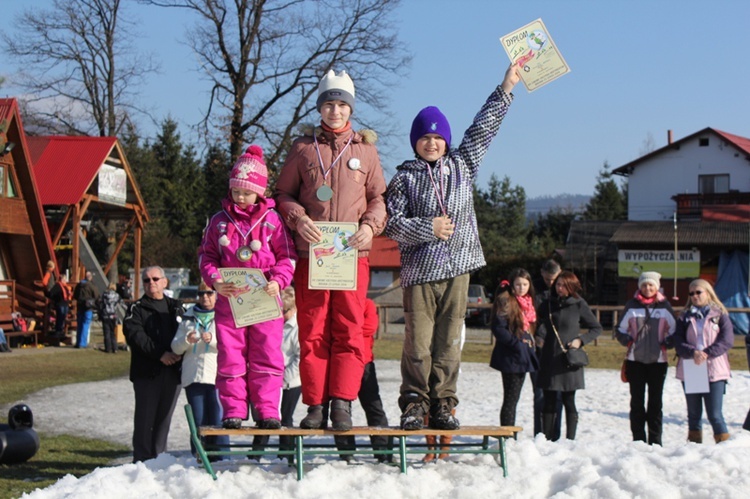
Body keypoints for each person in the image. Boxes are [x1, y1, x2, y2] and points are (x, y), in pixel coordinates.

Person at [385, 62, 520, 430]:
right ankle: (414, 403)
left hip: (458, 270)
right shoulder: (403, 178)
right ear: (416, 142)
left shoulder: (463, 165)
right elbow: (392, 225)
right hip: (420, 274)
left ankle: (444, 402)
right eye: (425, 138)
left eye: (438, 137)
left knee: (448, 344)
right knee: (418, 344)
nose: (432, 142)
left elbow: (483, 129)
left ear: (446, 140)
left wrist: (505, 87)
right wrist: (428, 227)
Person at [274, 70, 387, 431]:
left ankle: (342, 402)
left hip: (353, 257)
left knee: (350, 330)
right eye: (328, 104)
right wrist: (297, 218)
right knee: (313, 331)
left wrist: (370, 226)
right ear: (320, 107)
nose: (334, 111)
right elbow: (282, 195)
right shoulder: (303, 148)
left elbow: (379, 199)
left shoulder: (366, 151)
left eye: (341, 104)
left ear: (349, 108)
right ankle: (316, 404)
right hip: (313, 257)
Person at [199, 145, 297, 430]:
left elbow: (287, 256)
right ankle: (233, 410)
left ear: (260, 191)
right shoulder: (218, 222)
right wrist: (215, 280)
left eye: (247, 191)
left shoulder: (273, 220)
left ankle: (267, 410)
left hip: (265, 300)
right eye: (236, 191)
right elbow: (207, 256)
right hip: (231, 300)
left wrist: (278, 282)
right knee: (231, 356)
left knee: (267, 354)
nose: (241, 197)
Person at [123, 266, 183, 463]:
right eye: (147, 280)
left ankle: (159, 460)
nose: (151, 283)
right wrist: (160, 355)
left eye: (155, 279)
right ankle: (141, 460)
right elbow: (136, 336)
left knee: (164, 420)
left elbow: (185, 333)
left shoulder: (176, 307)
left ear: (165, 282)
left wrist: (176, 355)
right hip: (147, 373)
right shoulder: (136, 309)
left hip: (173, 371)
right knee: (145, 420)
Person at [535, 271, 602, 441]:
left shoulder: (579, 304)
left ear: (572, 287)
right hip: (550, 357)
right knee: (548, 402)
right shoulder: (547, 304)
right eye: (558, 284)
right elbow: (538, 322)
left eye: (564, 285)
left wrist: (581, 340)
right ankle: (547, 440)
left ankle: (570, 440)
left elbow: (596, 328)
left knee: (569, 401)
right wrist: (538, 336)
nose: (559, 288)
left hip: (568, 359)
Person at [615, 271, 676, 445]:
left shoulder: (664, 307)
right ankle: (638, 440)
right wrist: (628, 341)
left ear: (657, 287)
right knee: (637, 403)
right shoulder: (631, 306)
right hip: (636, 361)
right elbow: (619, 329)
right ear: (639, 287)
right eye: (644, 285)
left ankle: (656, 441)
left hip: (658, 362)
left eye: (651, 285)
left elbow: (674, 329)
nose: (647, 288)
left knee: (655, 403)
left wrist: (667, 342)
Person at [170, 282, 229, 460]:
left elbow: (231, 345)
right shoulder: (188, 317)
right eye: (202, 294)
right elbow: (175, 347)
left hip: (216, 376)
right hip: (193, 376)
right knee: (198, 421)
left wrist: (212, 340)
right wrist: (186, 340)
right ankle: (199, 458)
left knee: (218, 421)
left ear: (216, 294)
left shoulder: (224, 314)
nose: (205, 297)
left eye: (209, 293)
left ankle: (222, 458)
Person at [673, 279, 734, 444]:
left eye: (698, 292)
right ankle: (694, 446)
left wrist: (706, 353)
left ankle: (723, 446)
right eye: (691, 293)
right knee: (693, 413)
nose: (694, 296)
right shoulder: (684, 316)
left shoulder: (720, 315)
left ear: (708, 293)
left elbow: (727, 340)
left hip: (714, 368)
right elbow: (677, 340)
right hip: (693, 367)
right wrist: (693, 352)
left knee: (714, 413)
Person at [334, 299, 393, 463]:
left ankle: (384, 452)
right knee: (342, 410)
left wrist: (347, 329)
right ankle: (346, 454)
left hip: (365, 362)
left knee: (374, 407)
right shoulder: (340, 302)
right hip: (343, 362)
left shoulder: (367, 304)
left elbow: (370, 327)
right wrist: (352, 329)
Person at [251, 286, 302, 463]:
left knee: (285, 418)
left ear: (294, 309)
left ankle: (286, 454)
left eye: (285, 311)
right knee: (264, 417)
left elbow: (299, 357)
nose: (281, 314)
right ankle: (256, 453)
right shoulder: (271, 323)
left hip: (290, 382)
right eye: (278, 310)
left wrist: (282, 376)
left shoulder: (296, 328)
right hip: (268, 380)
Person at [489, 269, 540, 430]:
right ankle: (507, 434)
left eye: (525, 284)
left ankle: (509, 433)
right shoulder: (506, 301)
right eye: (518, 284)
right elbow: (498, 327)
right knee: (510, 399)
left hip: (526, 354)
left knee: (516, 398)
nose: (522, 288)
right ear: (512, 285)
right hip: (511, 356)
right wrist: (516, 343)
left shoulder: (529, 303)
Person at [531, 260, 562, 437]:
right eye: (548, 279)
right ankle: (539, 432)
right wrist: (539, 336)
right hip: (538, 347)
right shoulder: (534, 289)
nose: (551, 283)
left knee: (556, 395)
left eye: (554, 279)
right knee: (539, 394)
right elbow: (534, 316)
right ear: (542, 273)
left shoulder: (561, 288)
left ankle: (555, 433)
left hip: (556, 348)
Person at [73, 271, 99, 348]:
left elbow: (75, 296)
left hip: (80, 306)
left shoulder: (79, 285)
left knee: (80, 325)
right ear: (90, 277)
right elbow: (96, 296)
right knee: (85, 324)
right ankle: (82, 343)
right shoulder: (91, 285)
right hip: (88, 307)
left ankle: (78, 342)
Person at [98, 283, 123, 353]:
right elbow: (120, 302)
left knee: (107, 332)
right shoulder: (117, 295)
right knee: (112, 332)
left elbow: (101, 304)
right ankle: (115, 348)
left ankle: (108, 348)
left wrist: (100, 314)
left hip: (105, 315)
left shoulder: (105, 295)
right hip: (113, 315)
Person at [48, 274, 72, 339]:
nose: (64, 280)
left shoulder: (65, 286)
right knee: (60, 317)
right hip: (60, 303)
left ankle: (61, 330)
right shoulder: (57, 285)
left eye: (65, 279)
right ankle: (58, 331)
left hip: (65, 304)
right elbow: (51, 293)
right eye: (63, 279)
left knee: (63, 318)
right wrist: (56, 299)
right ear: (61, 279)